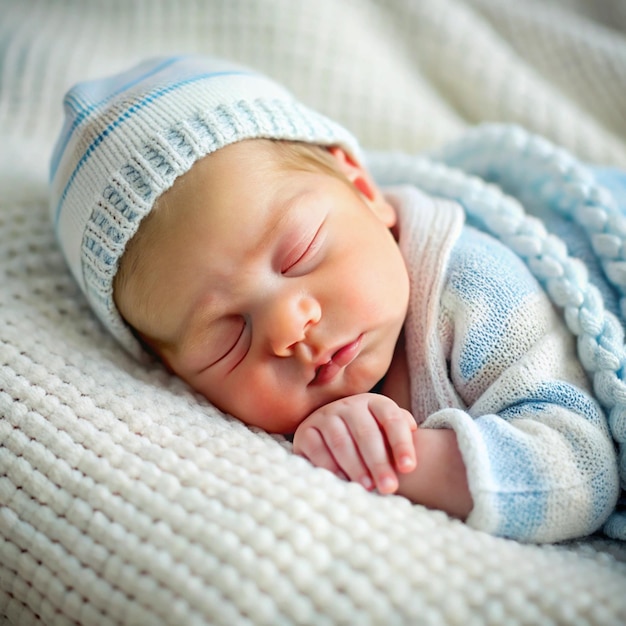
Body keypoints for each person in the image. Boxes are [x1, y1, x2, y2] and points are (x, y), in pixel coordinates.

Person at [50, 55, 620, 543]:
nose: (288, 328)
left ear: (365, 192)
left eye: (298, 255)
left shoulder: (475, 290)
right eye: (228, 338)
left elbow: (582, 471)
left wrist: (403, 459)